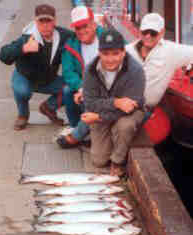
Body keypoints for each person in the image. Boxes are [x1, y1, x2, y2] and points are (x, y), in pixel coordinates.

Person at [82, 28, 146, 176]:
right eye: (105, 54)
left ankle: (117, 162)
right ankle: (112, 134)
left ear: (123, 52)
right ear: (99, 52)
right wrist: (115, 102)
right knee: (98, 161)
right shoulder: (90, 70)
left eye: (116, 54)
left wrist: (99, 117)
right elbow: (90, 103)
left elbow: (130, 108)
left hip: (130, 113)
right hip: (105, 111)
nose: (110, 59)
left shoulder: (136, 71)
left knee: (125, 125)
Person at [0, 4, 73, 130]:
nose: (45, 25)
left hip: (48, 79)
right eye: (41, 21)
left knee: (72, 88)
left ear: (54, 21)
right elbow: (4, 54)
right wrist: (23, 48)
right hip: (24, 77)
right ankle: (23, 115)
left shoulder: (63, 35)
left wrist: (99, 28)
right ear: (35, 21)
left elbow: (82, 35)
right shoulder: (27, 38)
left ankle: (49, 107)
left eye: (48, 21)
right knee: (22, 91)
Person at [56, 5, 104, 149]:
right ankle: (75, 125)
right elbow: (68, 73)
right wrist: (81, 87)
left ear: (94, 24)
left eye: (85, 26)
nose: (82, 31)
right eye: (78, 28)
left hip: (106, 87)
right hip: (84, 88)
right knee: (67, 91)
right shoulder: (70, 45)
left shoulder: (109, 37)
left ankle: (78, 134)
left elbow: (126, 55)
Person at [126, 12, 193, 110]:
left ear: (162, 32)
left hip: (142, 110)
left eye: (153, 33)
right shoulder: (126, 51)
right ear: (140, 31)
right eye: (145, 32)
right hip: (119, 104)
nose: (148, 36)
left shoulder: (171, 51)